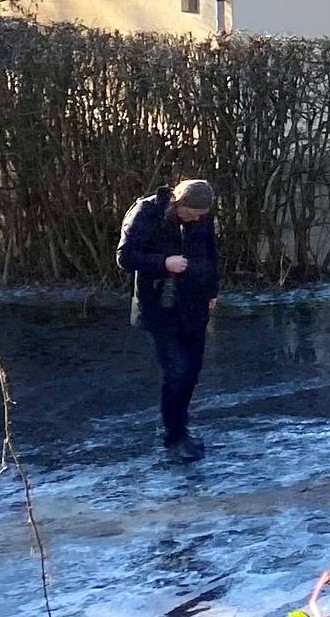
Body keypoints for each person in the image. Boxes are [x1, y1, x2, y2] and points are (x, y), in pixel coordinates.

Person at [120, 177, 221, 462]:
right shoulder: (146, 213)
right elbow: (125, 257)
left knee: (192, 371)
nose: (197, 220)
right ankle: (173, 436)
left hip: (195, 304)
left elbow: (211, 255)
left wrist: (213, 290)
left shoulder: (201, 219)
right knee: (176, 370)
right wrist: (164, 263)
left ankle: (181, 428)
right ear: (180, 203)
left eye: (201, 216)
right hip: (159, 307)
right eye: (193, 214)